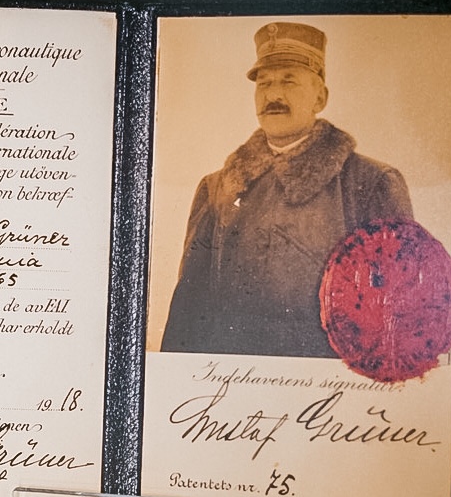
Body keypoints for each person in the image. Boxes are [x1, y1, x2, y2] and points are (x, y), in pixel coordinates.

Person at [160, 22, 413, 356]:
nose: (273, 96)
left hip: (324, 381)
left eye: (289, 81)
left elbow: (397, 311)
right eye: (264, 83)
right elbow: (189, 309)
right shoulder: (217, 188)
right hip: (228, 378)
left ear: (320, 98)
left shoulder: (370, 183)